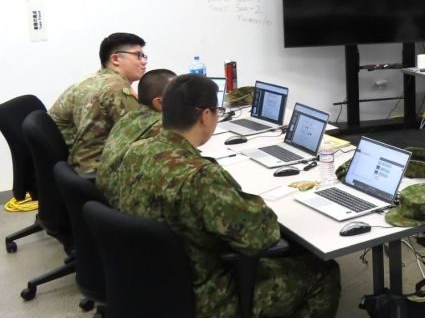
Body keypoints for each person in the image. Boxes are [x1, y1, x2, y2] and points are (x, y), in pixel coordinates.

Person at [103, 74, 340, 318]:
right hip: (206, 296)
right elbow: (260, 237)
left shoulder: (136, 151)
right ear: (206, 116)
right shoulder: (201, 177)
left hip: (148, 283)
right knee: (323, 271)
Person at [50, 32, 146, 174]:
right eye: (138, 55)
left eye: (144, 56)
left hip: (71, 166)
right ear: (115, 59)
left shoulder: (95, 80)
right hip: (94, 168)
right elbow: (142, 132)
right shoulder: (115, 88)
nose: (144, 61)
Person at [96, 69, 176, 198]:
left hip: (106, 195)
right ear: (159, 103)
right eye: (179, 95)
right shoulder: (160, 125)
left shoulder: (130, 116)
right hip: (122, 199)